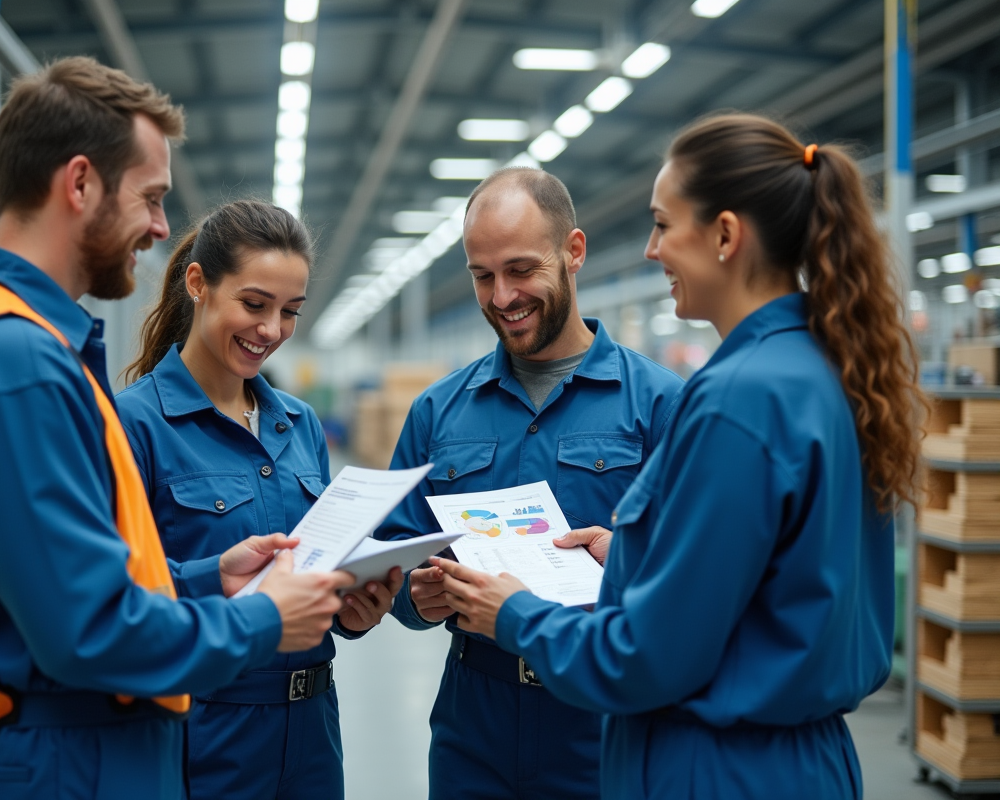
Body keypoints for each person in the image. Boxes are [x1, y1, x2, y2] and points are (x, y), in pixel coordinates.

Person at [0, 57, 352, 800]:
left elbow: (82, 582)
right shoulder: (16, 363)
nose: (163, 227)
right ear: (80, 183)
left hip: (82, 751)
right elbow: (90, 630)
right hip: (64, 762)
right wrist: (264, 618)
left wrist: (209, 578)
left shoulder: (31, 346)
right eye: (151, 198)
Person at [435, 114, 924, 800]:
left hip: (723, 768)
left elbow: (642, 661)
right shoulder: (823, 370)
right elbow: (773, 584)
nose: (651, 249)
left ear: (724, 235)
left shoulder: (735, 399)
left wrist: (514, 611)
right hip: (801, 760)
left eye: (664, 224)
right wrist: (637, 557)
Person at [374, 167, 684, 800]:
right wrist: (413, 595)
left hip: (601, 718)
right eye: (482, 275)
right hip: (473, 722)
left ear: (574, 251)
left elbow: (693, 577)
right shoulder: (438, 411)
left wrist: (625, 565)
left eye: (520, 269)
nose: (502, 296)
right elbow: (389, 552)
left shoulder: (660, 405)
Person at [117, 199, 404, 800]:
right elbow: (116, 595)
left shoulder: (299, 425)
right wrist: (211, 578)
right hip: (206, 733)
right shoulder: (134, 425)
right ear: (199, 284)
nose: (271, 330)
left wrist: (352, 609)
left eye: (290, 311)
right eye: (254, 304)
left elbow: (315, 565)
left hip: (313, 733)